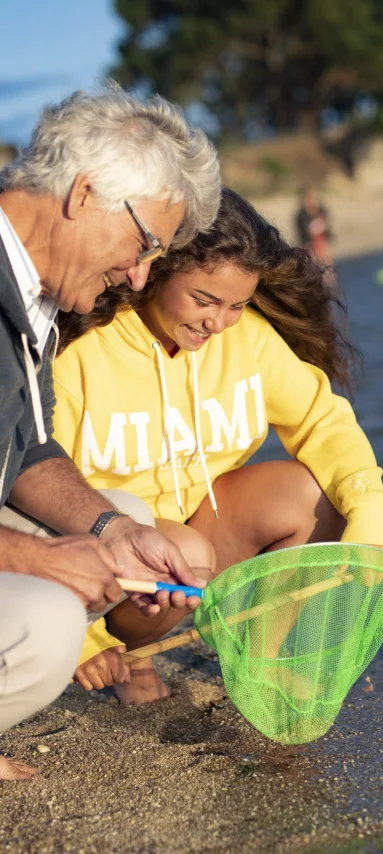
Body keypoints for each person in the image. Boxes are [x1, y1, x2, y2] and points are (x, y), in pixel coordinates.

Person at [52, 188, 383, 705]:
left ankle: (256, 653)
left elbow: (323, 421)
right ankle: (132, 654)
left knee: (312, 493)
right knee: (184, 550)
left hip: (205, 529)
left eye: (237, 304)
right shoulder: (82, 354)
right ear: (153, 270)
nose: (218, 323)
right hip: (109, 555)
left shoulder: (249, 339)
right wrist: (85, 640)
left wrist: (373, 516)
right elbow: (43, 496)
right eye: (204, 300)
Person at [0, 83, 221, 780]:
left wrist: (111, 536)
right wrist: (38, 562)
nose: (137, 276)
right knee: (49, 622)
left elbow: (29, 453)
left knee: (122, 515)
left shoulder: (32, 298)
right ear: (84, 193)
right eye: (145, 243)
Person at [295, 185, 335, 270]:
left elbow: (328, 228)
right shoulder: (301, 215)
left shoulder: (322, 210)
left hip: (322, 244)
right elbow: (303, 232)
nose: (311, 201)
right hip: (309, 245)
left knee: (327, 269)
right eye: (308, 199)